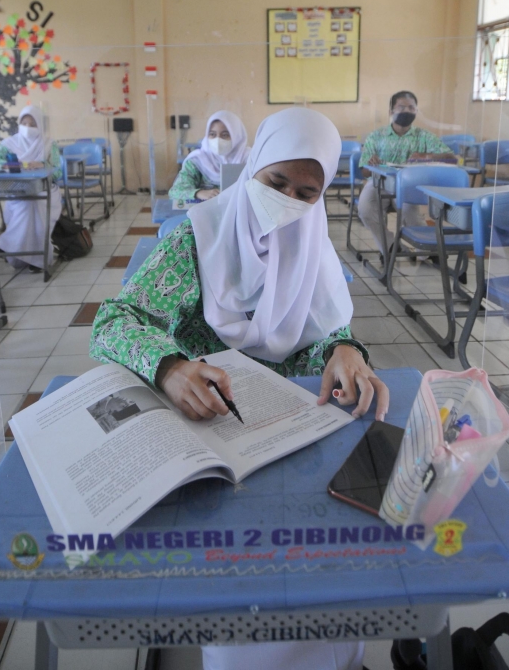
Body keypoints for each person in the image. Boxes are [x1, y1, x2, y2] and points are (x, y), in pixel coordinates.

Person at [91, 107, 389, 670]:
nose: (287, 200)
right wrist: (170, 367)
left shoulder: (312, 243)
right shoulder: (197, 241)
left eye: (306, 191)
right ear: (252, 167)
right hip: (205, 425)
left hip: (288, 432)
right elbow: (113, 323)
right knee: (243, 585)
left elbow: (329, 329)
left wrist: (346, 350)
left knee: (321, 563)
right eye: (276, 182)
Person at [357, 90, 454, 254]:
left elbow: (451, 158)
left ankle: (426, 252)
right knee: (365, 209)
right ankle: (391, 248)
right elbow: (365, 172)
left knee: (410, 213)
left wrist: (427, 156)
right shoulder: (376, 136)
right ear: (391, 112)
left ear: (416, 111)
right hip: (378, 183)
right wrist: (371, 163)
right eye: (401, 107)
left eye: (411, 107)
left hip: (409, 185)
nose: (406, 111)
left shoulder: (424, 136)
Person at [0, 105, 62, 271]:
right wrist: (7, 164)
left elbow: (58, 171)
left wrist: (42, 164)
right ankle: (30, 257)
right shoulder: (9, 144)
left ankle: (11, 247)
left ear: (40, 125)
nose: (27, 127)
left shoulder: (48, 143)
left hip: (45, 188)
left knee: (34, 204)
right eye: (24, 123)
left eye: (32, 124)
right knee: (25, 204)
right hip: (18, 188)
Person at [168, 110, 250, 201]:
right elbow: (175, 191)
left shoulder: (249, 159)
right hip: (204, 212)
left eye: (225, 135)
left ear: (237, 136)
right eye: (212, 134)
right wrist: (198, 193)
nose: (218, 139)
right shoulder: (197, 161)